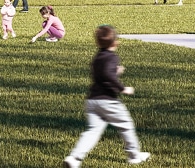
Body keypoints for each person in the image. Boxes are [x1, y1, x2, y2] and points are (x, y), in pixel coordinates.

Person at [62, 25, 150, 167]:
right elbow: (108, 75)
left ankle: (74, 158)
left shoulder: (97, 57)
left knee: (93, 131)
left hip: (92, 101)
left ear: (98, 42)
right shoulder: (112, 57)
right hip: (108, 101)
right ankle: (134, 156)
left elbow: (102, 75)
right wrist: (123, 88)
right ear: (116, 43)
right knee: (126, 125)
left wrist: (115, 72)